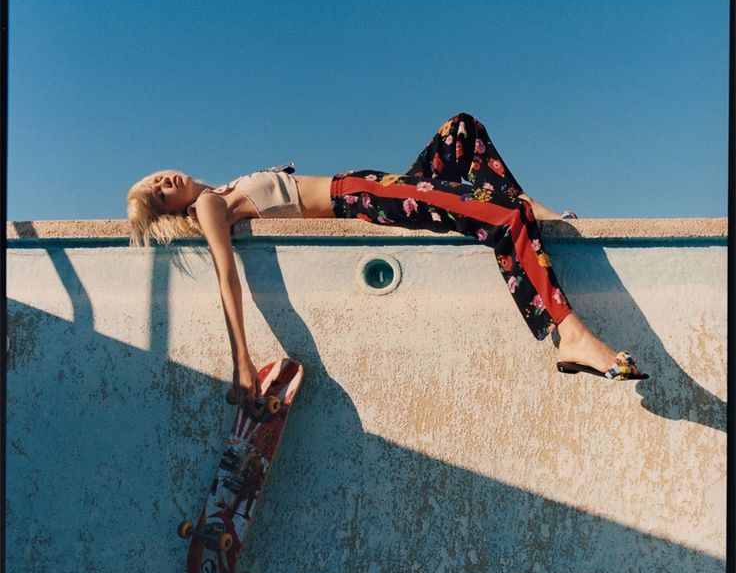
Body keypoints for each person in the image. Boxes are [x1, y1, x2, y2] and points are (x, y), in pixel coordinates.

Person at [127, 112, 648, 407]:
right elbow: (227, 277)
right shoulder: (210, 204)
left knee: (462, 131)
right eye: (157, 196)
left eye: (154, 178)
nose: (161, 183)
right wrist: (241, 360)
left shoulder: (224, 186)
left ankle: (528, 206)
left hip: (372, 185)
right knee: (503, 222)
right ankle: (570, 334)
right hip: (363, 199)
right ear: (173, 212)